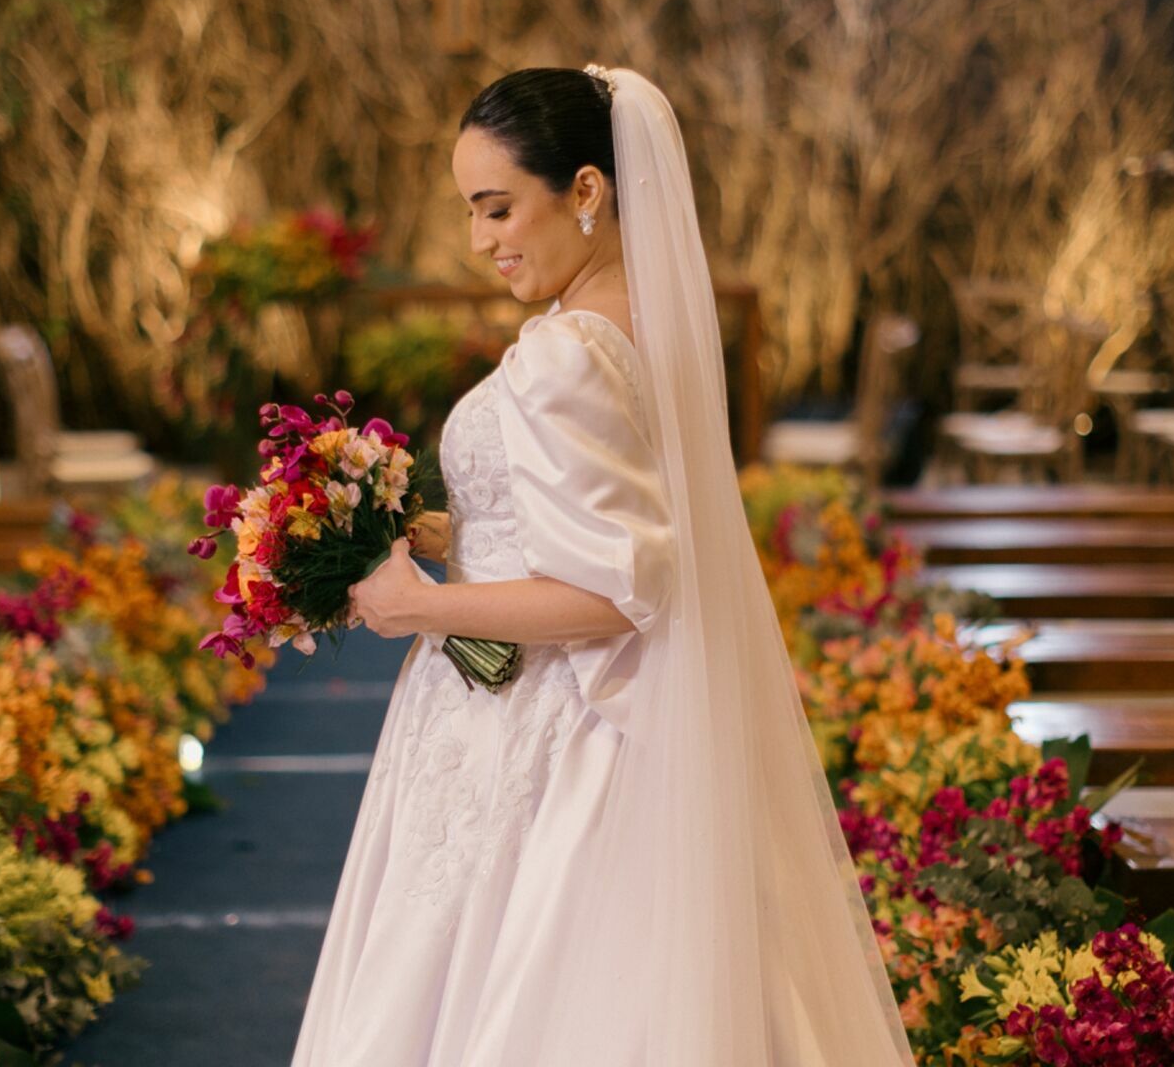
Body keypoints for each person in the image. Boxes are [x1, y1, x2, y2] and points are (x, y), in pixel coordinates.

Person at [291, 66, 914, 1067]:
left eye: (498, 208)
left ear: (585, 191)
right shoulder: (638, 326)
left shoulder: (565, 351)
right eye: (470, 213)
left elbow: (612, 591)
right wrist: (463, 532)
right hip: (585, 713)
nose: (482, 240)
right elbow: (619, 520)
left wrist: (418, 603)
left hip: (546, 726)